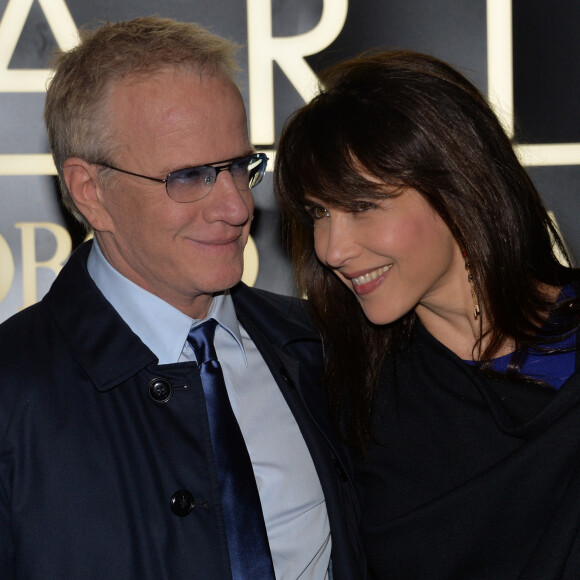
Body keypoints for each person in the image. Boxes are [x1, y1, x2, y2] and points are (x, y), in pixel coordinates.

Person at [0, 17, 365, 579]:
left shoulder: (319, 348)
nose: (237, 208)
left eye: (240, 167)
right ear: (90, 192)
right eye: (190, 176)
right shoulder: (13, 393)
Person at [274, 49, 580, 579]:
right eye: (319, 213)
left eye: (362, 206)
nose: (331, 249)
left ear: (456, 187)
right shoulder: (350, 397)